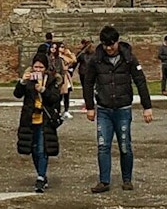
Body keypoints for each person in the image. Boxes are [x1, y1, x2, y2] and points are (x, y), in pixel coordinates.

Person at [82, 25, 153, 193]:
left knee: (125, 145)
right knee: (103, 145)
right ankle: (104, 181)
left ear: (117, 42)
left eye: (111, 45)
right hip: (104, 109)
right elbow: (88, 82)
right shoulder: (96, 60)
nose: (109, 49)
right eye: (106, 45)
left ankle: (127, 179)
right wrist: (90, 107)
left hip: (123, 108)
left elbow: (140, 81)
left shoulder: (129, 58)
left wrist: (147, 106)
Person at [14, 53, 62, 193]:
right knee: (33, 149)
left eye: (41, 67)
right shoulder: (28, 79)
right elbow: (17, 94)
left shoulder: (52, 80)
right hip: (30, 119)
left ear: (46, 68)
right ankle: (41, 174)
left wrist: (43, 90)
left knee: (42, 149)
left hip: (44, 120)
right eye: (36, 67)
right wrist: (22, 81)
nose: (38, 69)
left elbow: (55, 98)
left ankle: (40, 177)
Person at [58, 42, 78, 119]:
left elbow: (74, 60)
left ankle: (66, 111)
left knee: (67, 96)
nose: (63, 48)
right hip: (60, 77)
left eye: (63, 47)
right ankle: (58, 111)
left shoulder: (64, 56)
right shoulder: (57, 57)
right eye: (61, 47)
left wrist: (69, 53)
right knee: (59, 97)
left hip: (66, 78)